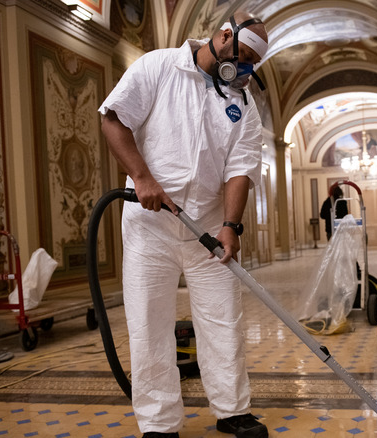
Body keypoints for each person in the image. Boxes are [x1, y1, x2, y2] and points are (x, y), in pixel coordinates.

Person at [99, 11, 269, 438]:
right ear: (224, 36)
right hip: (149, 225)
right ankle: (158, 423)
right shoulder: (158, 66)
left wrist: (232, 224)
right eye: (242, 55)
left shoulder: (243, 105)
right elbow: (114, 119)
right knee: (148, 321)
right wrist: (142, 178)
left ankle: (232, 410)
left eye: (252, 64)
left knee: (222, 317)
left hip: (207, 230)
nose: (244, 68)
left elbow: (240, 168)